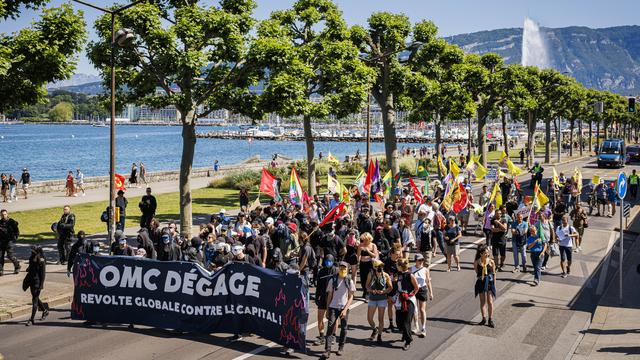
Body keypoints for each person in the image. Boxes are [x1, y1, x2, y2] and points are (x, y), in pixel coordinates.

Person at [323, 261, 355, 359]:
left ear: (347, 269)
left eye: (344, 268)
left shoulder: (349, 281)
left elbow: (351, 297)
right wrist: (327, 309)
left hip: (344, 308)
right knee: (330, 328)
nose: (342, 269)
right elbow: (329, 296)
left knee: (344, 329)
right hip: (333, 307)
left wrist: (345, 310)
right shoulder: (333, 280)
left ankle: (340, 347)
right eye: (341, 268)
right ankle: (327, 350)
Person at [366, 259, 392, 344]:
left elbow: (390, 287)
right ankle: (375, 329)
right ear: (374, 267)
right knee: (369, 318)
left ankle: (379, 336)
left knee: (380, 319)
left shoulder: (385, 275)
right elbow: (367, 286)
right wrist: (371, 291)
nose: (380, 268)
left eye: (381, 266)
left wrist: (383, 292)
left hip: (382, 299)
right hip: (372, 298)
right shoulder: (371, 274)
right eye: (377, 266)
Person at [395, 258, 418, 350]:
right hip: (400, 299)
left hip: (409, 300)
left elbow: (416, 288)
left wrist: (409, 295)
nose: (396, 266)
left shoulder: (410, 275)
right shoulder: (398, 274)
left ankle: (408, 340)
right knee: (399, 321)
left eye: (397, 265)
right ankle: (404, 333)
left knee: (406, 321)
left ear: (401, 266)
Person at [313, 254, 336, 346]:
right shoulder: (321, 272)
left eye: (330, 261)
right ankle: (322, 336)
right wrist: (316, 296)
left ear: (333, 261)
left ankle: (333, 336)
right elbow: (318, 286)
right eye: (326, 261)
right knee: (320, 317)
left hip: (333, 297)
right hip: (322, 297)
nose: (328, 263)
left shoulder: (336, 271)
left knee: (333, 319)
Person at [23, 245, 49, 326]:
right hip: (30, 280)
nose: (31, 252)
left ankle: (31, 319)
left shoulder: (41, 260)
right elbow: (31, 266)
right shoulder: (31, 257)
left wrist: (41, 285)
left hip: (37, 282)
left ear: (37, 251)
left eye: (33, 250)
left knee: (34, 300)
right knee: (35, 297)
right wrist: (29, 268)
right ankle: (45, 311)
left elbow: (43, 274)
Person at [411, 254, 433, 338]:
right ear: (415, 261)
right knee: (414, 309)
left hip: (422, 289)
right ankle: (416, 326)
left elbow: (428, 281)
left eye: (422, 260)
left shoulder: (425, 270)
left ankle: (423, 328)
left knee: (422, 309)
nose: (421, 262)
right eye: (419, 260)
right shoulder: (411, 269)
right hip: (414, 289)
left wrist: (431, 293)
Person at [474, 244, 496, 327]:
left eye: (488, 253)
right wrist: (482, 277)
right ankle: (484, 318)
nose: (487, 254)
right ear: (481, 254)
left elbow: (494, 273)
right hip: (481, 282)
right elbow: (477, 272)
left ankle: (490, 319)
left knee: (490, 301)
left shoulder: (491, 262)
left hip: (489, 282)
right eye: (485, 253)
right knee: (482, 301)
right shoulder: (477, 262)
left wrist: (494, 283)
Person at [0, 209, 21, 276]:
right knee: (0, 256)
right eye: (2, 215)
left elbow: (17, 231)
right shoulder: (0, 223)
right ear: (0, 215)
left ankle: (17, 266)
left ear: (7, 214)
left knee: (10, 256)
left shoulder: (11, 221)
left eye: (5, 214)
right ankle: (0, 270)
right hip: (1, 242)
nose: (4, 216)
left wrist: (15, 238)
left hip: (9, 241)